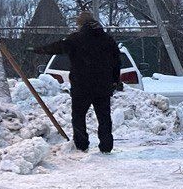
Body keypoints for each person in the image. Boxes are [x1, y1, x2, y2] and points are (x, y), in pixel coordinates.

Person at [33, 11, 123, 153]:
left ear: (81, 24)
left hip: (82, 86)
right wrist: (115, 80)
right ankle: (106, 146)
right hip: (103, 86)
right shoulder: (107, 39)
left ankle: (82, 145)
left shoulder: (76, 39)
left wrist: (37, 50)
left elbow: (58, 47)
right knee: (104, 117)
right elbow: (117, 61)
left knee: (78, 116)